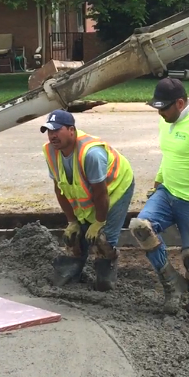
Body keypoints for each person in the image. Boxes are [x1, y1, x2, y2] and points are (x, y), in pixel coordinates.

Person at [130, 77, 189, 313]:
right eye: (157, 108)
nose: (160, 114)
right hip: (167, 192)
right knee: (141, 227)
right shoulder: (167, 121)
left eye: (164, 108)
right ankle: (171, 283)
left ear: (180, 103)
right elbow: (169, 154)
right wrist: (159, 180)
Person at [42, 109, 135, 291]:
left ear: (71, 130)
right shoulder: (51, 152)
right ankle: (72, 267)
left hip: (116, 188)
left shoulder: (91, 154)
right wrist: (72, 221)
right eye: (49, 131)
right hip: (95, 193)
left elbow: (100, 193)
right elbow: (59, 189)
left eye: (57, 130)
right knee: (75, 235)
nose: (52, 136)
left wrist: (99, 222)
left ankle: (105, 278)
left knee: (102, 239)